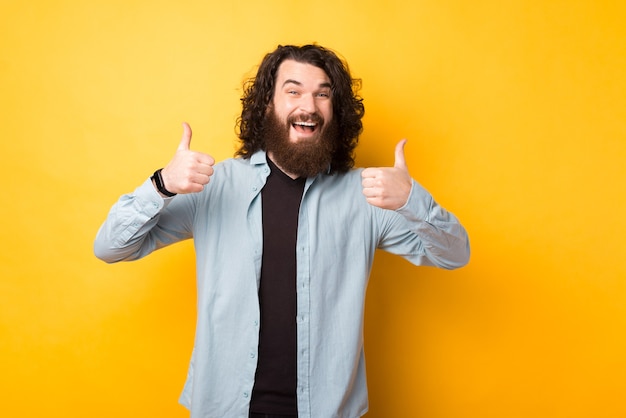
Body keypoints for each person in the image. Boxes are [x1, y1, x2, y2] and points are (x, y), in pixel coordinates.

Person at [94, 44, 470, 418]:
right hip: (224, 407)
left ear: (334, 111)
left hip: (326, 410)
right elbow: (111, 247)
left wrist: (411, 200)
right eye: (293, 91)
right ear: (267, 106)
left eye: (322, 94)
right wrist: (162, 184)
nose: (308, 106)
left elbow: (454, 254)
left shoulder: (366, 196)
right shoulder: (214, 186)